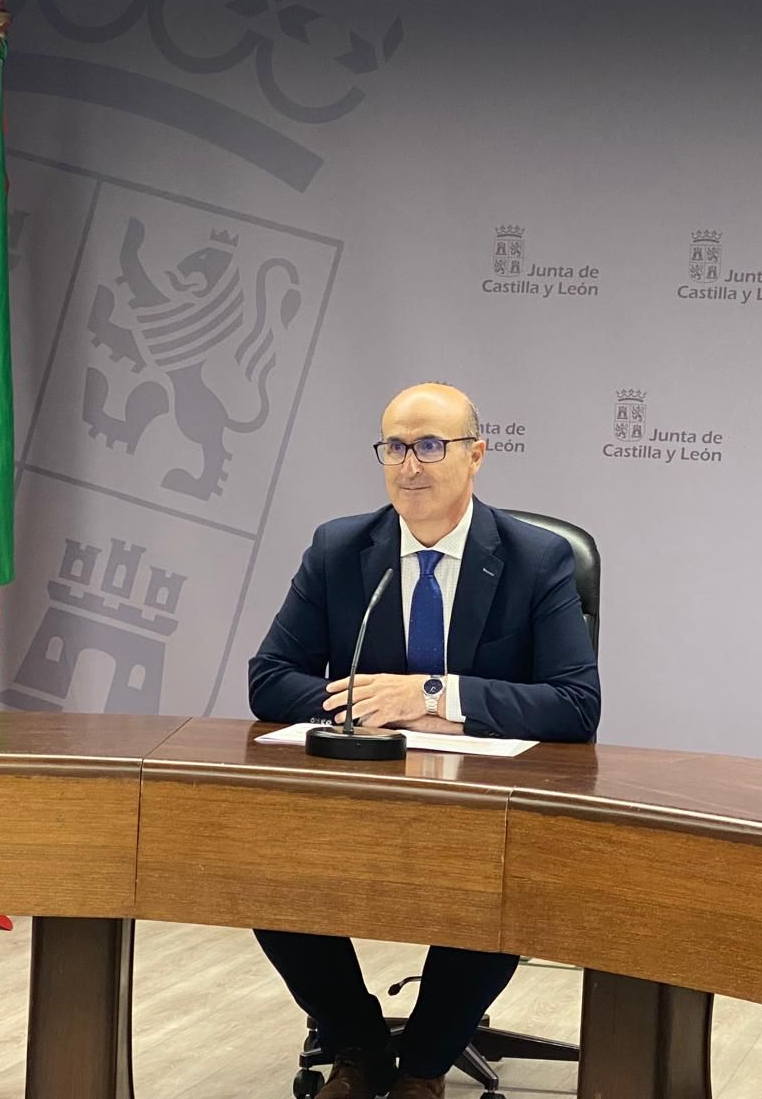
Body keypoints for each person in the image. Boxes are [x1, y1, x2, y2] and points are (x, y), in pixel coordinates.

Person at [248, 382, 602, 1099]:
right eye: (396, 448)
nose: (411, 465)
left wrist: (435, 694)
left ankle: (424, 1067)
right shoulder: (341, 549)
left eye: (431, 446)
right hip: (363, 794)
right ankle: (359, 1042)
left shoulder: (536, 559)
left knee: (502, 887)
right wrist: (370, 704)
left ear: (476, 456)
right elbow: (269, 679)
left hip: (485, 805)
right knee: (263, 876)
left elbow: (575, 704)